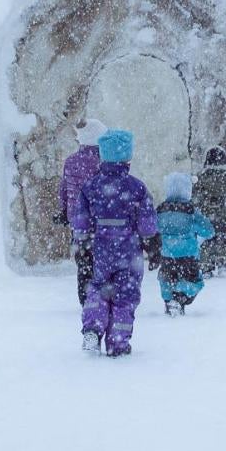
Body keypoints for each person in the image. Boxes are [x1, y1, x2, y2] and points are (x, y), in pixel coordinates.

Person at [68, 128, 158, 357]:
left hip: (101, 250)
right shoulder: (137, 188)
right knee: (125, 297)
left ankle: (92, 328)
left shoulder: (90, 187)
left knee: (98, 289)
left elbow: (80, 222)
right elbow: (148, 226)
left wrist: (83, 240)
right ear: (128, 157)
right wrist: (150, 240)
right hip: (128, 252)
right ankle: (118, 340)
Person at [57, 118, 107, 306]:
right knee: (101, 259)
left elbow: (64, 189)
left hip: (77, 222)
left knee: (84, 261)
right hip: (99, 220)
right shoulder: (102, 163)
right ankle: (100, 295)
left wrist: (64, 211)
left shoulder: (70, 162)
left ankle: (85, 297)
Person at [155, 172, 214, 315]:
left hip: (167, 255)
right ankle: (180, 297)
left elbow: (152, 228)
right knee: (195, 282)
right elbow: (208, 231)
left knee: (166, 279)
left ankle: (170, 300)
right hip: (188, 255)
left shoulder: (160, 209)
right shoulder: (190, 210)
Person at [194, 146, 226, 276]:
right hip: (224, 216)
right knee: (224, 239)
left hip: (205, 217)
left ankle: (205, 265)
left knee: (206, 241)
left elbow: (195, 199)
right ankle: (223, 263)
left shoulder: (200, 179)